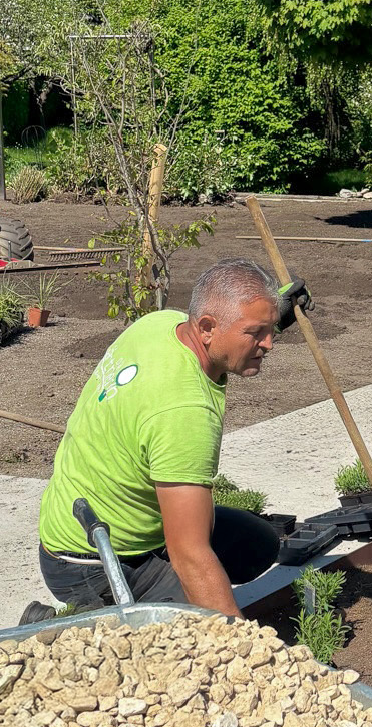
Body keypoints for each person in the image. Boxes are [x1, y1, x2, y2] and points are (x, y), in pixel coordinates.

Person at [20, 258, 301, 623]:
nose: (269, 344)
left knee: (257, 547)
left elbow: (234, 318)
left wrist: (280, 309)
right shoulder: (184, 412)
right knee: (184, 643)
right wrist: (246, 649)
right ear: (206, 328)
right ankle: (61, 631)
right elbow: (189, 553)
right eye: (256, 333)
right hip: (89, 560)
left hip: (94, 517)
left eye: (271, 328)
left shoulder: (162, 324)